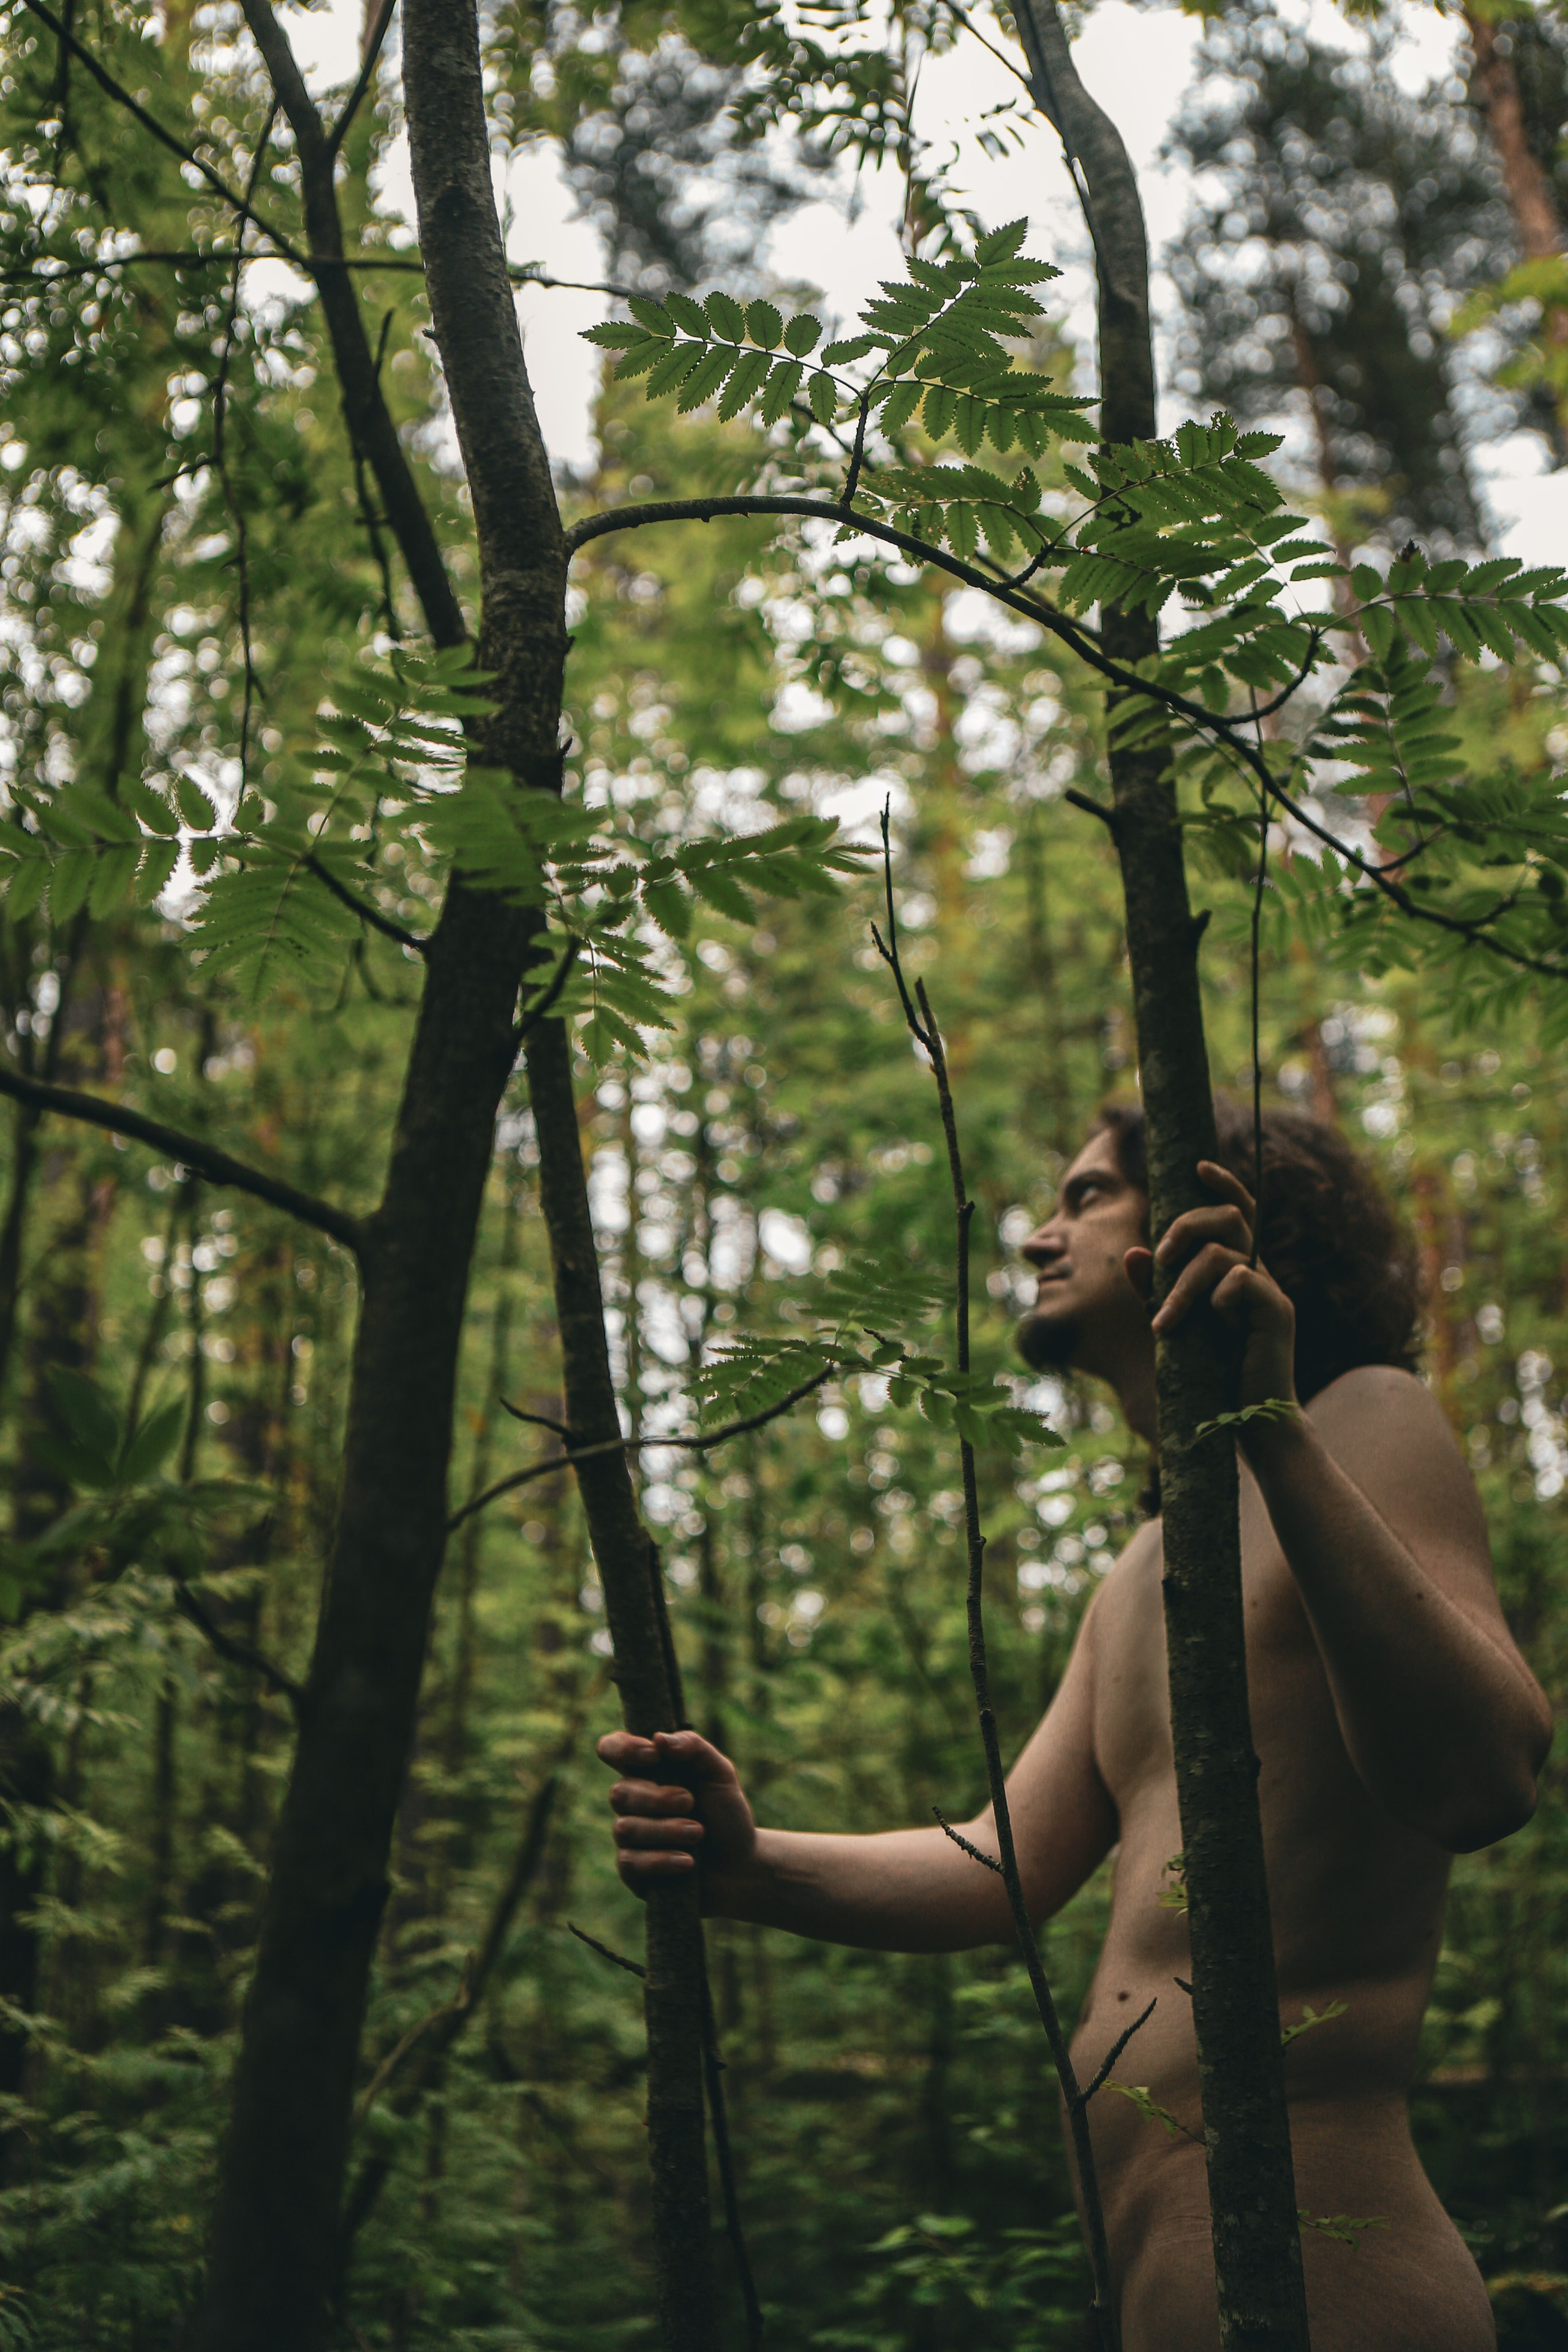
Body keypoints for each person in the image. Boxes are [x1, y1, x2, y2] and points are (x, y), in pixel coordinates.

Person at [598, 1099, 1553, 2350]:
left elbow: (1481, 1777)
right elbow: (1002, 1863)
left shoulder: (1363, 1419)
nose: (1039, 1237)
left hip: (1333, 2266)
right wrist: (750, 1862)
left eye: (1086, 1197)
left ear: (1213, 1215)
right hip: (1149, 2275)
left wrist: (1270, 1427)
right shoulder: (1144, 1567)